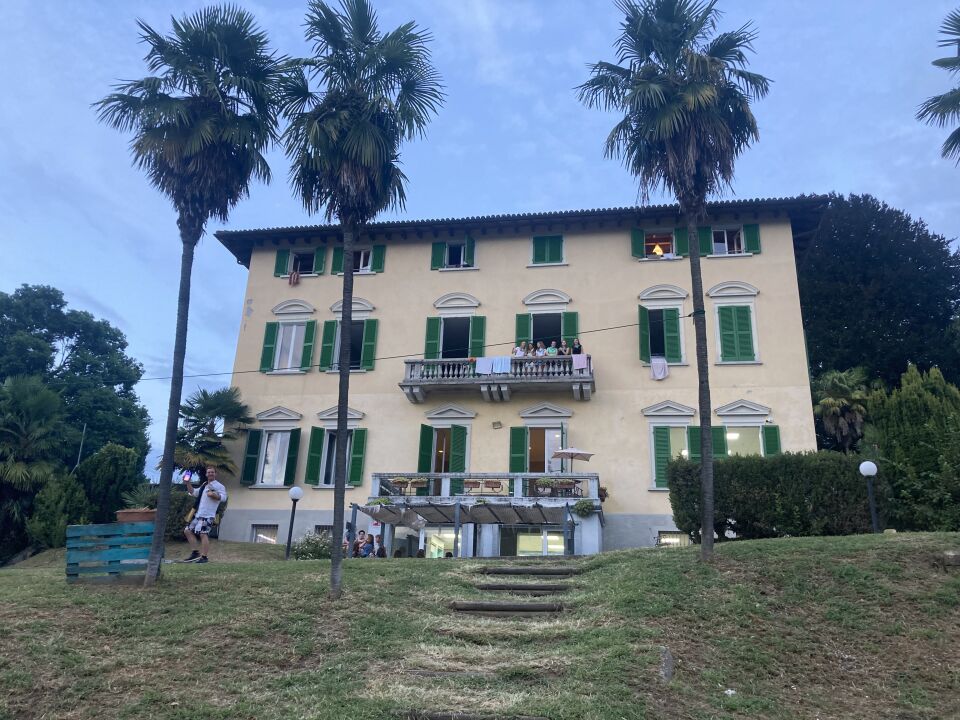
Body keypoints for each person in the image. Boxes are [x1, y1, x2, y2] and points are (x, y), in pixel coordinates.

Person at [182, 467, 227, 563]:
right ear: (206, 474)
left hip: (208, 515)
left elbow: (223, 498)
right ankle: (195, 553)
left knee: (203, 534)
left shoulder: (219, 486)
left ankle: (204, 557)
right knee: (187, 531)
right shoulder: (204, 484)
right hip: (199, 514)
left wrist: (214, 495)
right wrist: (188, 483)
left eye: (212, 472)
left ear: (215, 474)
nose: (210, 474)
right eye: (208, 472)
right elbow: (194, 493)